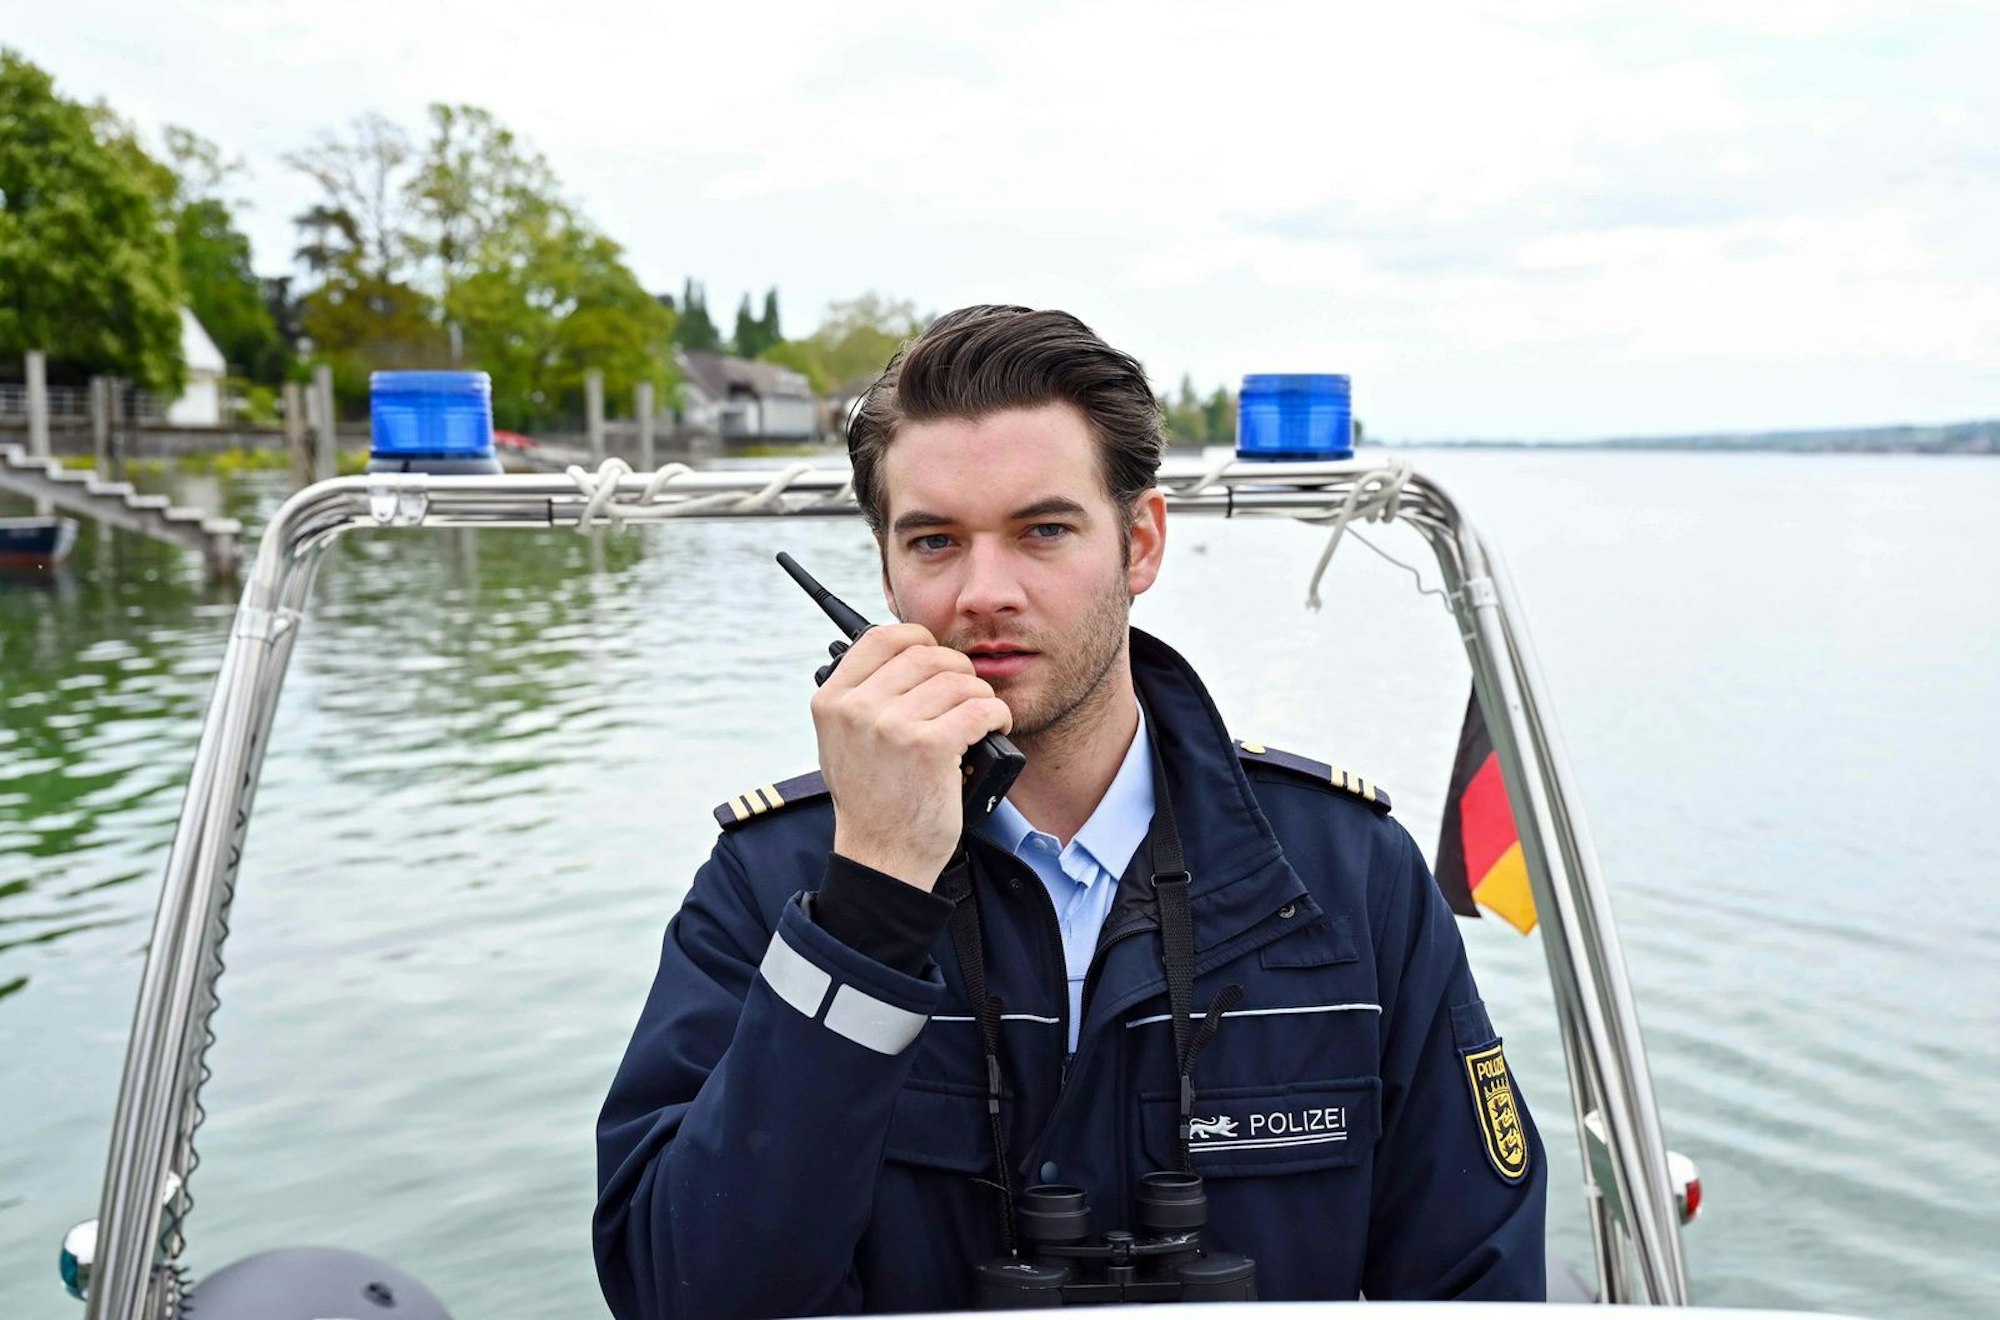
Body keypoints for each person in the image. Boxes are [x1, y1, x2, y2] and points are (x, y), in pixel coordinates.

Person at [594, 306, 1546, 1319]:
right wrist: (868, 904)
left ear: (1139, 544)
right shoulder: (777, 882)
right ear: (885, 575)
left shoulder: (1347, 877)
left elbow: (1471, 1283)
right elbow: (678, 1293)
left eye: (1042, 530)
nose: (982, 591)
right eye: (934, 541)